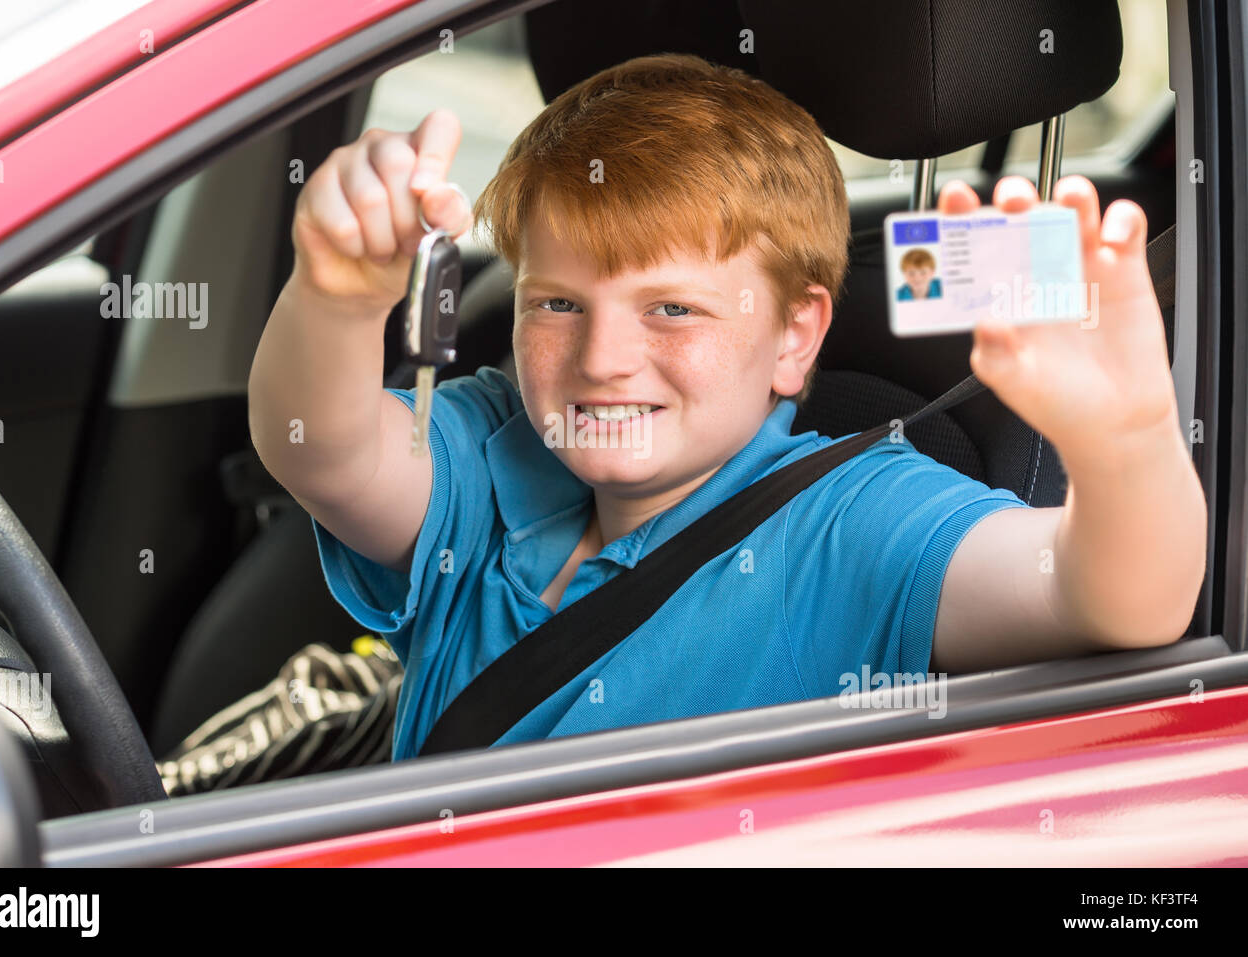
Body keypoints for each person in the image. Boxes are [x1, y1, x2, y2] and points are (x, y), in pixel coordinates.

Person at [248, 54, 1205, 762]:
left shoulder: (848, 521)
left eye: (673, 308)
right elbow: (322, 449)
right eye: (557, 304)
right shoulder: (494, 443)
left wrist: (1121, 443)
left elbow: (1114, 596)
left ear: (794, 338)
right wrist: (337, 296)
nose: (603, 359)